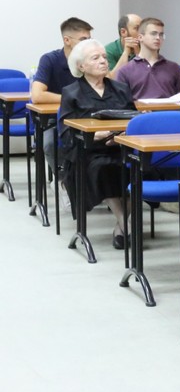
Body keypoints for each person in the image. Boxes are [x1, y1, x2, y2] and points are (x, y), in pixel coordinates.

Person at [59, 39, 134, 249]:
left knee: (144, 168)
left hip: (120, 147)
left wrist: (120, 135)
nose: (103, 61)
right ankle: (126, 224)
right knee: (103, 168)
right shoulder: (71, 92)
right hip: (88, 152)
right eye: (95, 58)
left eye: (104, 57)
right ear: (81, 66)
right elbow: (66, 133)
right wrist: (96, 136)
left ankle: (122, 226)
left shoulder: (120, 89)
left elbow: (133, 121)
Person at [31, 17, 93, 172]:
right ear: (67, 40)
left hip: (85, 116)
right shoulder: (50, 60)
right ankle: (63, 178)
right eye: (83, 40)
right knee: (50, 144)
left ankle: (87, 179)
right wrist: (72, 100)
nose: (88, 44)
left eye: (90, 40)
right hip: (54, 119)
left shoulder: (91, 61)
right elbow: (37, 96)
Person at [115, 17, 180, 100]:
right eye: (153, 34)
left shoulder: (174, 68)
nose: (158, 38)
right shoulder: (125, 71)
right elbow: (120, 103)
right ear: (140, 37)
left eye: (161, 34)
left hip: (169, 108)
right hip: (138, 108)